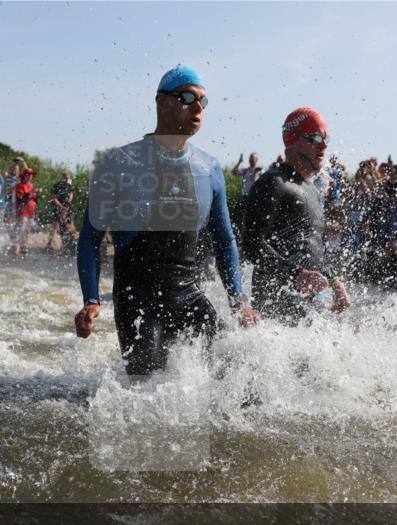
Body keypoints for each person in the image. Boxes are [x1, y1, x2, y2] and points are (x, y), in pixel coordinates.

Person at [75, 65, 259, 376]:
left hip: (188, 292)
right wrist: (91, 300)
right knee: (147, 392)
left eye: (203, 101)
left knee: (235, 378)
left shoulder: (210, 168)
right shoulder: (119, 163)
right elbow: (91, 238)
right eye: (188, 97)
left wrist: (238, 299)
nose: (198, 107)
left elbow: (225, 239)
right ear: (162, 102)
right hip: (138, 299)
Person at [244, 105, 351, 322]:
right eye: (315, 138)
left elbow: (312, 250)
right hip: (274, 308)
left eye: (326, 139)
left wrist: (335, 282)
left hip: (309, 307)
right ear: (292, 140)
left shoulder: (312, 190)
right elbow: (252, 244)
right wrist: (295, 274)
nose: (323, 146)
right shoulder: (273, 183)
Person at [48, 171, 77, 255]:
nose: (66, 179)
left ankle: (68, 245)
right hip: (58, 208)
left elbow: (71, 195)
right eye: (65, 178)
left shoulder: (70, 186)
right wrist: (61, 206)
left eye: (67, 178)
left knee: (70, 226)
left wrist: (67, 205)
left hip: (67, 209)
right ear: (62, 177)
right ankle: (53, 245)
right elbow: (53, 198)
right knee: (58, 227)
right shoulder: (57, 185)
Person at [10, 168, 38, 259]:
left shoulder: (31, 185)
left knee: (27, 230)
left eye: (31, 175)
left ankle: (24, 248)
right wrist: (29, 194)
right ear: (24, 175)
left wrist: (37, 194)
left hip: (31, 211)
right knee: (20, 230)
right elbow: (20, 199)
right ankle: (16, 249)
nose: (30, 176)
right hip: (22, 211)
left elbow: (34, 200)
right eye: (28, 174)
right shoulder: (19, 185)